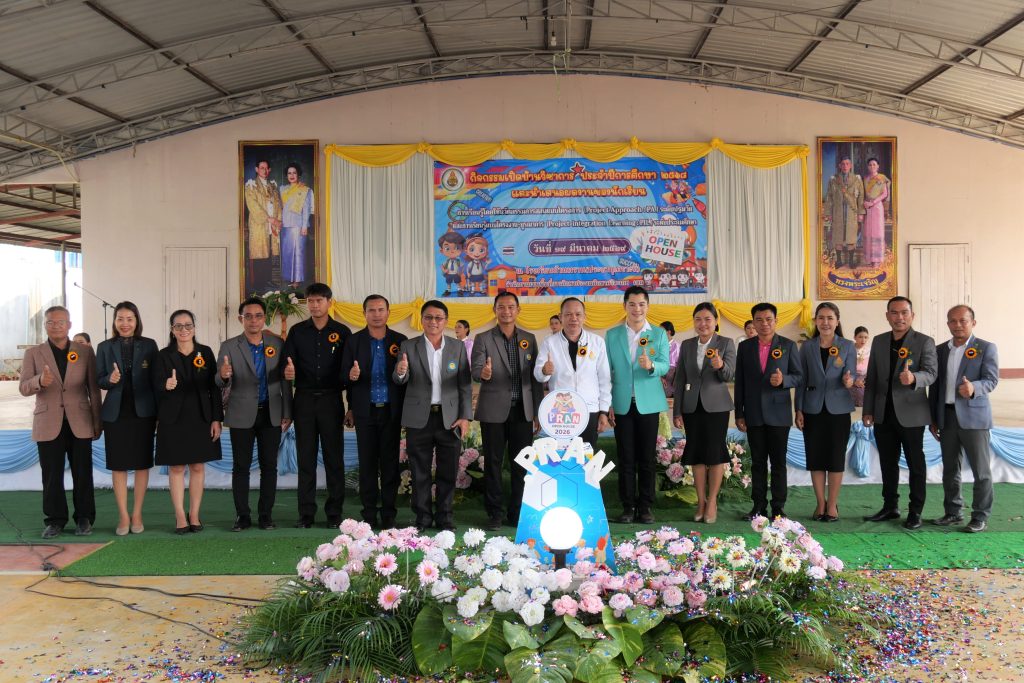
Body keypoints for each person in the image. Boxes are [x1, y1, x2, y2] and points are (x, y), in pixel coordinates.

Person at [20, 306, 101, 539]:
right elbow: (24, 387)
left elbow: (93, 389)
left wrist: (97, 422)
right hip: (48, 422)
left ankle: (84, 518)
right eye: (51, 322)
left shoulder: (84, 352)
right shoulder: (33, 353)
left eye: (61, 322)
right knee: (51, 475)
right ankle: (55, 520)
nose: (56, 326)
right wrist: (39, 381)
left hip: (80, 421)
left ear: (69, 325)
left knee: (83, 473)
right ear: (45, 325)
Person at [393, 300, 472, 532]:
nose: (433, 322)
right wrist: (401, 372)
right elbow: (399, 380)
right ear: (422, 320)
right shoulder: (408, 346)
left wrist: (465, 416)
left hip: (450, 419)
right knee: (420, 472)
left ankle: (445, 518)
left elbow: (464, 385)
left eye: (438, 318)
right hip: (420, 418)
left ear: (446, 321)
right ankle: (423, 518)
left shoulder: (457, 347)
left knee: (449, 471)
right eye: (428, 317)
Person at [217, 297, 291, 532]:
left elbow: (285, 380)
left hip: (271, 412)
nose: (253, 320)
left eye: (258, 316)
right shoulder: (229, 346)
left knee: (269, 466)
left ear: (264, 318)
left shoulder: (277, 343)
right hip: (241, 413)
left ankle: (265, 515)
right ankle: (242, 516)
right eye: (248, 316)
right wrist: (224, 375)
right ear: (241, 319)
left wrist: (287, 411)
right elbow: (218, 380)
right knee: (241, 467)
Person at [862, 296, 937, 530]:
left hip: (911, 414)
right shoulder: (879, 341)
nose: (899, 317)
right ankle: (890, 506)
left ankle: (915, 511)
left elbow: (931, 373)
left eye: (904, 312)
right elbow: (872, 377)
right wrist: (868, 410)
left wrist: (914, 378)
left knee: (916, 464)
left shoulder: (924, 341)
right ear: (887, 316)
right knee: (887, 463)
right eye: (894, 313)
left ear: (912, 315)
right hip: (883, 413)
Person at [282, 282, 351, 528]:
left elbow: (350, 371)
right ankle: (306, 514)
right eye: (310, 301)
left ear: (329, 302)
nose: (314, 305)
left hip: (332, 400)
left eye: (319, 300)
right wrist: (288, 372)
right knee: (306, 459)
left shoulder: (342, 332)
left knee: (334, 459)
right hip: (304, 400)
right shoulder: (297, 331)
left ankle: (334, 514)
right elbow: (286, 365)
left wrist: (351, 406)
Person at [472, 292, 542, 530]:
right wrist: (483, 373)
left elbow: (535, 379)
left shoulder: (529, 339)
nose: (506, 311)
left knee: (521, 464)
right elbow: (475, 370)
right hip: (493, 411)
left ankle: (518, 512)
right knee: (493, 463)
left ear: (518, 310)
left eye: (511, 307)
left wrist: (537, 411)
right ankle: (494, 513)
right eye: (501, 307)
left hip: (523, 411)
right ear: (495, 310)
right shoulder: (483, 338)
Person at [929, 305, 999, 533]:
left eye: (963, 320)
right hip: (947, 417)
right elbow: (935, 387)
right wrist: (934, 418)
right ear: (947, 323)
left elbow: (991, 380)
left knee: (981, 471)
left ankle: (980, 516)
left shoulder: (985, 348)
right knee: (950, 469)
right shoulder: (940, 350)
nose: (957, 325)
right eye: (953, 321)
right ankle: (953, 512)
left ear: (973, 323)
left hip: (975, 418)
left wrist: (974, 387)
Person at [152, 310, 223, 534]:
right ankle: (180, 515)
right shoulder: (163, 355)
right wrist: (165, 385)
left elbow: (214, 388)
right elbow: (154, 385)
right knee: (176, 467)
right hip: (172, 417)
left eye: (188, 325)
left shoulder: (205, 352)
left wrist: (216, 418)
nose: (184, 330)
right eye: (178, 326)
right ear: (172, 330)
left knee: (198, 466)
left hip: (200, 416)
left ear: (194, 327)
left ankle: (194, 514)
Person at [340, 295, 407, 529]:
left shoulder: (400, 340)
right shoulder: (354, 341)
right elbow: (343, 375)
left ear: (388, 313)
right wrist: (351, 377)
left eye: (380, 310)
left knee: (390, 464)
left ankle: (389, 513)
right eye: (371, 310)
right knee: (367, 464)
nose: (376, 314)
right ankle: (368, 513)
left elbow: (406, 380)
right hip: (364, 411)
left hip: (391, 411)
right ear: (364, 313)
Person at [606, 286, 669, 524]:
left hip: (648, 404)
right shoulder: (612, 335)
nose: (637, 309)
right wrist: (608, 403)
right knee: (626, 458)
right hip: (622, 404)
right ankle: (627, 507)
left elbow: (665, 365)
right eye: (632, 304)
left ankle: (645, 506)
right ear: (625, 306)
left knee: (647, 458)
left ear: (647, 306)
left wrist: (652, 366)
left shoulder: (658, 334)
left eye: (641, 304)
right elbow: (607, 372)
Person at [734, 302, 802, 520]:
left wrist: (784, 380)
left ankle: (778, 508)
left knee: (779, 463)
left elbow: (799, 377)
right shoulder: (745, 347)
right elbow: (740, 382)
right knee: (758, 463)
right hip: (753, 414)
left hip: (779, 415)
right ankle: (758, 507)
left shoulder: (788, 345)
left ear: (776, 321)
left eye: (768, 319)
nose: (764, 323)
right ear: (753, 322)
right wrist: (739, 413)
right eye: (759, 320)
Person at [95, 302, 158, 535]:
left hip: (144, 412)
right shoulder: (104, 347)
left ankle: (137, 514)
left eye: (129, 319)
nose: (125, 323)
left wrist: (160, 413)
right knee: (118, 465)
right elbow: (98, 380)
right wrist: (109, 380)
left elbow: (156, 380)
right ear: (114, 321)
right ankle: (123, 515)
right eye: (120, 319)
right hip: (115, 413)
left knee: (142, 464)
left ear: (136, 321)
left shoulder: (149, 345)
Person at [672, 302, 735, 525]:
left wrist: (720, 365)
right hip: (691, 407)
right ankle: (700, 502)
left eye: (708, 319)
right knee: (696, 454)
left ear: (716, 321)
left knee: (715, 454)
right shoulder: (687, 345)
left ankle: (712, 502)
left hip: (717, 407)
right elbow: (680, 379)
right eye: (698, 319)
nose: (703, 323)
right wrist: (677, 410)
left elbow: (730, 375)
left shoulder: (726, 343)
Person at [794, 303, 856, 523]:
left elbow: (852, 375)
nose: (825, 322)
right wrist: (798, 409)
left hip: (838, 410)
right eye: (821, 318)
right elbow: (801, 380)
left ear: (837, 321)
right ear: (815, 321)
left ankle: (832, 505)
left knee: (835, 458)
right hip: (812, 409)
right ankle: (820, 503)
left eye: (830, 318)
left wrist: (849, 381)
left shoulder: (847, 346)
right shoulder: (807, 347)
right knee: (816, 458)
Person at [534, 298, 611, 449]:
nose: (573, 318)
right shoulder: (549, 343)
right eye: (568, 314)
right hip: (560, 412)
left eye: (578, 314)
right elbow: (538, 374)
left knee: (586, 455)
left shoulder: (597, 342)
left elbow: (604, 379)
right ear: (561, 317)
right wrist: (544, 371)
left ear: (584, 317)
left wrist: (604, 411)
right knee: (561, 456)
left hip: (590, 409)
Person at [243, 159, 283, 290]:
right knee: (259, 252)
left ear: (269, 170)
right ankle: (258, 284)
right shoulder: (251, 186)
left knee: (269, 252)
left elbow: (278, 204)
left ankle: (267, 280)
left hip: (272, 225)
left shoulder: (273, 186)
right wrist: (269, 219)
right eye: (261, 168)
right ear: (256, 169)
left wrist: (278, 220)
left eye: (266, 168)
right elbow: (253, 206)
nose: (264, 171)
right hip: (259, 225)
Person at [823, 155, 864, 270]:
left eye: (847, 164)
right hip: (838, 212)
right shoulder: (834, 180)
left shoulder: (856, 179)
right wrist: (828, 213)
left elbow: (861, 197)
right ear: (839, 166)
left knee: (851, 236)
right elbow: (829, 197)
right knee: (838, 236)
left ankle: (851, 261)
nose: (845, 166)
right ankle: (839, 261)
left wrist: (861, 213)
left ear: (850, 165)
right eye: (843, 164)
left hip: (851, 212)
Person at [279, 162, 313, 289]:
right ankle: (289, 277)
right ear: (286, 175)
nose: (292, 175)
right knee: (287, 253)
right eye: (289, 173)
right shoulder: (282, 189)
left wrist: (304, 226)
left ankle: (297, 280)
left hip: (298, 226)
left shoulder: (305, 190)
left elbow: (306, 209)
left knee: (298, 253)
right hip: (285, 226)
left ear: (298, 174)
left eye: (294, 173)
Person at [861, 158, 889, 268]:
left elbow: (884, 194)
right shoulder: (865, 179)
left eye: (874, 164)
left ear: (878, 166)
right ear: (868, 167)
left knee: (877, 232)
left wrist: (873, 202)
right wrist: (865, 203)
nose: (872, 166)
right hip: (867, 207)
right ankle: (869, 258)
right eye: (870, 165)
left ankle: (877, 260)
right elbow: (863, 193)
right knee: (868, 232)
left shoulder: (881, 178)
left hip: (877, 207)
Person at [849, 326, 870, 406]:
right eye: (860, 337)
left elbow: (872, 369)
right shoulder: (848, 348)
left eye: (865, 337)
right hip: (850, 378)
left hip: (864, 379)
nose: (863, 340)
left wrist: (863, 380)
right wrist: (854, 380)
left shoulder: (870, 351)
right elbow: (838, 364)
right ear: (855, 337)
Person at [659, 320, 679, 399]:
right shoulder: (658, 346)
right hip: (659, 375)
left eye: (661, 331)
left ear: (668, 332)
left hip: (671, 378)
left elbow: (680, 367)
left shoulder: (678, 346)